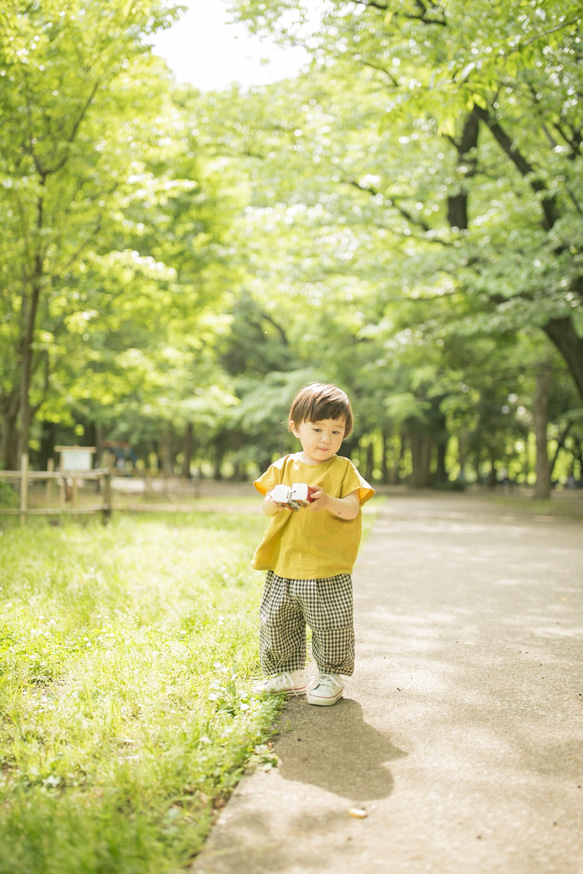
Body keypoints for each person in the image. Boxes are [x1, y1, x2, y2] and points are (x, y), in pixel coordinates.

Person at [251, 382, 375, 706]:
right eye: (317, 429)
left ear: (346, 432)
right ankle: (285, 674)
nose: (326, 439)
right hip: (285, 562)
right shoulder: (284, 467)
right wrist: (275, 502)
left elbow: (351, 509)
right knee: (278, 621)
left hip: (326, 566)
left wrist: (328, 501)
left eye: (336, 431)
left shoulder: (343, 468)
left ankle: (330, 675)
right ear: (296, 428)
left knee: (331, 624)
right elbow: (265, 507)